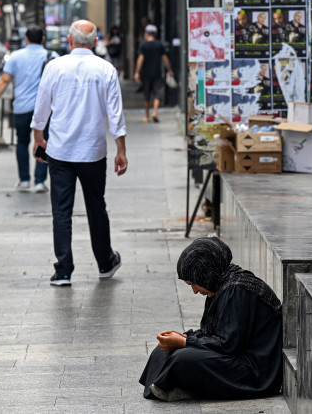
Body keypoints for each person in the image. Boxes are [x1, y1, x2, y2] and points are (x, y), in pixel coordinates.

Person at [31, 20, 127, 286]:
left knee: (61, 211)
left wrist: (38, 138)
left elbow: (42, 107)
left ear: (70, 41)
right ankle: (105, 262)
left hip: (60, 151)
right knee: (97, 207)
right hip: (93, 151)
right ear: (95, 42)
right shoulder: (106, 69)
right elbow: (115, 114)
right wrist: (121, 150)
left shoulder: (54, 67)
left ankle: (63, 270)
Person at [139, 237, 283, 401]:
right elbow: (212, 332)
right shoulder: (219, 284)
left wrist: (184, 342)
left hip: (256, 374)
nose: (194, 290)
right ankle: (173, 384)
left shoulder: (238, 289)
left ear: (205, 274)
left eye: (194, 283)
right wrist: (185, 338)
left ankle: (180, 386)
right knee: (165, 349)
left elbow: (229, 345)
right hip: (236, 356)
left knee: (182, 359)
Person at [0, 25, 57, 193]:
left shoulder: (16, 57)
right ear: (43, 39)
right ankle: (40, 181)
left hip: (21, 108)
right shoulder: (52, 56)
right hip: (45, 110)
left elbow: (4, 80)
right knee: (43, 142)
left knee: (22, 142)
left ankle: (24, 180)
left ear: (26, 39)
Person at [135, 24, 174, 123]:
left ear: (146, 34)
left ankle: (147, 116)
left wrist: (137, 72)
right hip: (157, 72)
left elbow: (140, 59)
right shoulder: (159, 44)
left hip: (146, 73)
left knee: (147, 95)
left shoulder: (143, 45)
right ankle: (155, 112)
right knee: (157, 94)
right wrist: (169, 69)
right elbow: (165, 58)